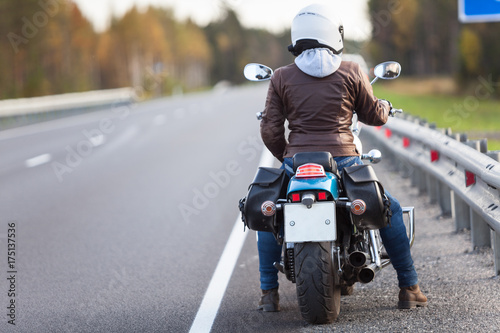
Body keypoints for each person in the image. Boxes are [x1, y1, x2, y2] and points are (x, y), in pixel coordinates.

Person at [257, 3, 428, 312]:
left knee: (271, 212)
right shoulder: (351, 70)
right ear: (333, 33)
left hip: (297, 162)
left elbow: (270, 128)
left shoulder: (281, 77)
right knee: (389, 208)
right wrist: (386, 106)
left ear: (299, 37)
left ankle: (269, 294)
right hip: (345, 160)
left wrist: (287, 157)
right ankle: (409, 287)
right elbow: (373, 115)